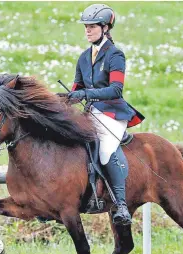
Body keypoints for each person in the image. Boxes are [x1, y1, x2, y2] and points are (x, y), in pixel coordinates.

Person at [68, 4, 145, 225]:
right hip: (91, 113)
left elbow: (116, 89)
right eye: (86, 27)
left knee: (106, 150)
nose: (87, 31)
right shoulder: (84, 57)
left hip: (112, 113)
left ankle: (121, 205)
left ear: (105, 27)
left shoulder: (115, 54)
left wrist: (85, 93)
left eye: (92, 27)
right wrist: (64, 98)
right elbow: (76, 88)